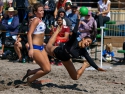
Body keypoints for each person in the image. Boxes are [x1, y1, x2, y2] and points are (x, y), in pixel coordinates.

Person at [45, 13, 105, 80]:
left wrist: (97, 68)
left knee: (75, 77)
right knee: (47, 46)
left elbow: (90, 60)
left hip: (65, 60)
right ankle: (57, 31)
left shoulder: (83, 51)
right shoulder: (74, 41)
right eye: (87, 41)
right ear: (83, 39)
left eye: (89, 43)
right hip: (55, 52)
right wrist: (78, 20)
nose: (88, 43)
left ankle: (84, 66)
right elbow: (75, 32)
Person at [22, 3, 51, 84]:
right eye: (40, 11)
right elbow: (29, 34)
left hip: (41, 47)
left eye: (43, 10)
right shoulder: (35, 20)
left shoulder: (40, 20)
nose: (42, 12)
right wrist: (30, 48)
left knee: (48, 68)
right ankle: (30, 80)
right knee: (46, 69)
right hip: (35, 47)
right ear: (35, 12)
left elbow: (39, 34)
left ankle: (30, 72)